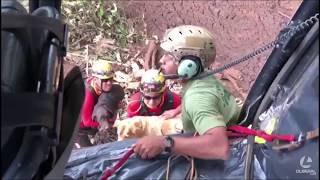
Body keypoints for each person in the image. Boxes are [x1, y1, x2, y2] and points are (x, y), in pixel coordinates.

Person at [132, 25, 240, 160]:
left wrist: (164, 143)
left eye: (169, 56)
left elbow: (219, 147)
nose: (161, 60)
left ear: (188, 65)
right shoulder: (205, 78)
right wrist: (176, 111)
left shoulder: (196, 98)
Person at [76, 60, 125, 148]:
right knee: (88, 151)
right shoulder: (88, 95)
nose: (109, 83)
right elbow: (87, 122)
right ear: (95, 79)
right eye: (105, 80)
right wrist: (108, 123)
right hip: (79, 127)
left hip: (94, 118)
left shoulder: (100, 87)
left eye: (111, 79)